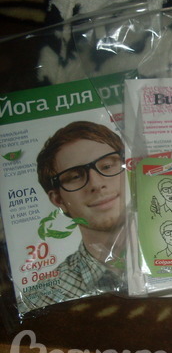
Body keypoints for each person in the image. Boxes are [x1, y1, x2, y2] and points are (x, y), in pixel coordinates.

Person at [35, 121, 126, 306]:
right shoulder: (43, 300)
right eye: (75, 176)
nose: (96, 184)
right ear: (58, 200)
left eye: (107, 166)